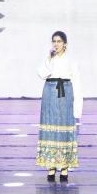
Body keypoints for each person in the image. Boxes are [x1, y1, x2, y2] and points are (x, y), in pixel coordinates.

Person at [36, 31, 82, 182]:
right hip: (49, 92)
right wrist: (49, 58)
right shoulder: (49, 58)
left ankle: (64, 167)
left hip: (65, 92)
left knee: (63, 126)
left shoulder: (71, 60)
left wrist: (78, 106)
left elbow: (77, 82)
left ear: (65, 44)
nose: (56, 44)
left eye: (59, 41)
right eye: (54, 41)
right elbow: (41, 73)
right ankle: (51, 165)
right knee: (50, 126)